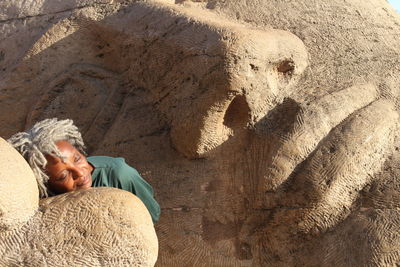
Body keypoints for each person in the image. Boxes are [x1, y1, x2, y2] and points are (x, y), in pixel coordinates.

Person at [7, 118, 160, 223]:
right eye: (63, 176)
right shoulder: (42, 202)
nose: (80, 173)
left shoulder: (119, 174)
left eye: (78, 159)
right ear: (46, 185)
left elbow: (152, 214)